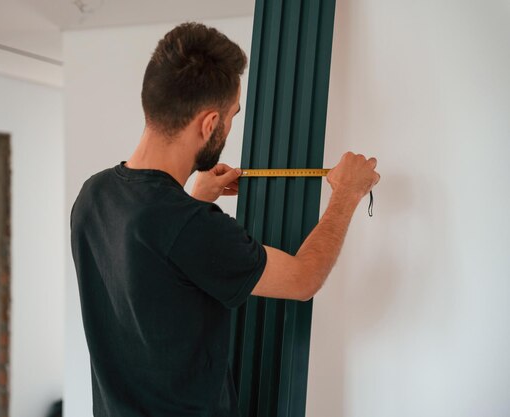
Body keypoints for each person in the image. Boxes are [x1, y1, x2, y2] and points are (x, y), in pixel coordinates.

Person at [70, 22, 380, 417]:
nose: (232, 126)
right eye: (233, 115)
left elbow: (152, 268)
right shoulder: (190, 226)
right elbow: (304, 279)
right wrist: (347, 195)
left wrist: (192, 199)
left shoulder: (93, 196)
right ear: (209, 123)